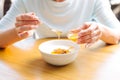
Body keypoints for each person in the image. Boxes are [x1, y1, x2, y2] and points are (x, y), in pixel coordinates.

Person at [0, 0, 120, 48]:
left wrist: (100, 30)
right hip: (42, 65)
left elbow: (117, 34)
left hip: (83, 61)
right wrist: (18, 32)